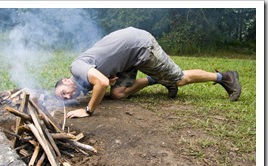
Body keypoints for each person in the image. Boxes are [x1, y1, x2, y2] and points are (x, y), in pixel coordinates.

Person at [55, 27, 241, 118]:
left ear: (66, 80)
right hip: (127, 56)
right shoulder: (83, 79)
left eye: (64, 92)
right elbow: (105, 76)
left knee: (180, 79)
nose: (69, 95)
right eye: (66, 98)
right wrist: (110, 78)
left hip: (140, 47)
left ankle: (225, 77)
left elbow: (101, 83)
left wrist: (88, 111)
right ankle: (158, 79)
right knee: (118, 94)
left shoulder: (76, 67)